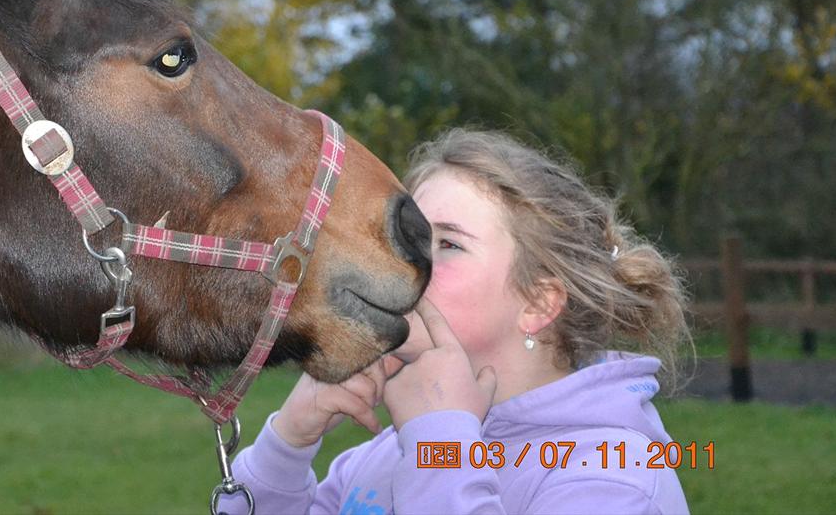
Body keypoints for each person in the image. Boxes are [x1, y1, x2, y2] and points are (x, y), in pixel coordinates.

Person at [227, 129, 692, 514]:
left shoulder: (618, 479)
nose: (399, 261)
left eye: (447, 245)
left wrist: (440, 449)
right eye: (407, 237)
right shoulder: (386, 454)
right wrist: (287, 444)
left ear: (538, 303)